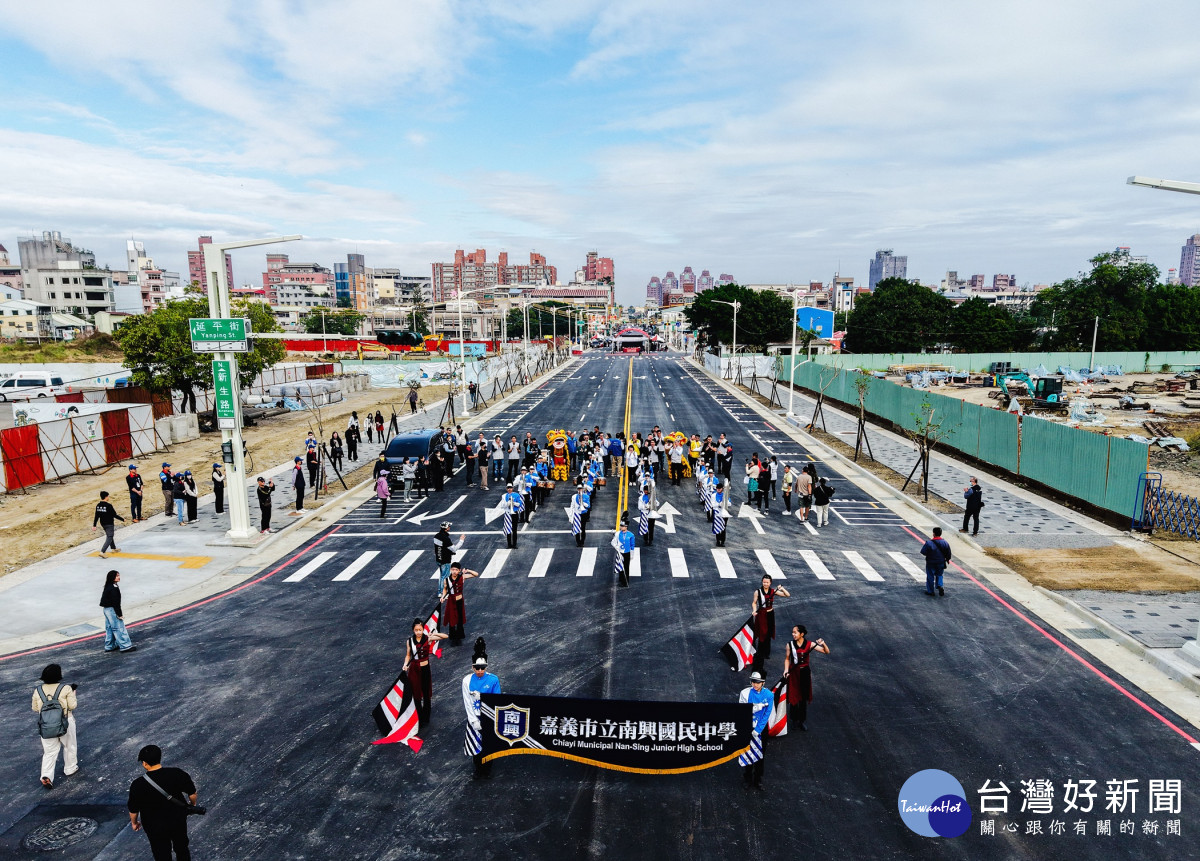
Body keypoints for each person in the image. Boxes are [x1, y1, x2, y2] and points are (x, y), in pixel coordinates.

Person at [127, 744, 197, 861]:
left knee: (161, 853)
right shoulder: (176, 773)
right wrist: (192, 804)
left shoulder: (138, 784)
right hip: (177, 820)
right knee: (182, 848)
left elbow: (133, 809)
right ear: (159, 758)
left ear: (144, 763)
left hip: (154, 826)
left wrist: (134, 823)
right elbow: (192, 792)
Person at [33, 663, 79, 788]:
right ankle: (70, 768)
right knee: (70, 746)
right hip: (65, 721)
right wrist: (73, 693)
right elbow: (72, 706)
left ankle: (46, 775)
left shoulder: (38, 690)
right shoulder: (65, 688)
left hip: (46, 725)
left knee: (49, 752)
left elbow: (35, 708)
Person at [462, 639, 501, 779]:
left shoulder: (493, 679)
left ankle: (488, 769)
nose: (479, 671)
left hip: (489, 716)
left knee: (488, 745)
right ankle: (478, 769)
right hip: (475, 718)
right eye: (476, 668)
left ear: (486, 666)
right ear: (472, 667)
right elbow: (467, 702)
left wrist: (482, 697)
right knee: (476, 745)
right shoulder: (466, 680)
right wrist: (473, 721)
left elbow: (498, 701)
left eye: (482, 668)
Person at [403, 617, 448, 728]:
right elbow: (408, 655)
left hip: (425, 669)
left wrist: (433, 636)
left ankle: (426, 716)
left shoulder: (427, 638)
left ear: (423, 629)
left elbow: (445, 636)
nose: (418, 632)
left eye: (420, 630)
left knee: (426, 693)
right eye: (416, 630)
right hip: (414, 669)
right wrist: (405, 664)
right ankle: (420, 716)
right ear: (413, 630)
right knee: (416, 694)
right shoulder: (409, 641)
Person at [783, 625, 829, 732]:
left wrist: (823, 644)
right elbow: (786, 659)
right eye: (792, 632)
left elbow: (826, 651)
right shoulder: (789, 645)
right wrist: (786, 670)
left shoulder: (810, 644)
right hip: (794, 673)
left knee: (803, 697)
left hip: (805, 673)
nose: (793, 634)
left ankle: (801, 721)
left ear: (802, 634)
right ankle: (794, 720)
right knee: (794, 696)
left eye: (795, 632)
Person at [738, 671, 771, 790]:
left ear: (763, 682)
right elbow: (741, 711)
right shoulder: (744, 693)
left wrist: (758, 730)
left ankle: (758, 779)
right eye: (753, 681)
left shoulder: (769, 695)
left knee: (760, 754)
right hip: (748, 727)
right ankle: (747, 777)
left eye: (757, 682)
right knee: (747, 752)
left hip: (761, 729)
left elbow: (767, 714)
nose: (755, 684)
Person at [751, 574, 791, 671]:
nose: (765, 584)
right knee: (761, 633)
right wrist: (754, 610)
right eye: (764, 582)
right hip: (762, 614)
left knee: (768, 633)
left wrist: (782, 588)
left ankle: (766, 653)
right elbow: (754, 602)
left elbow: (787, 595)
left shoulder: (773, 591)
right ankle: (759, 653)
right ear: (762, 582)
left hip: (770, 614)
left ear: (770, 583)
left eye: (767, 582)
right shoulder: (758, 591)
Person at [440, 561, 481, 641]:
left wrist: (468, 570)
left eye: (456, 570)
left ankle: (460, 634)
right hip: (451, 601)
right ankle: (452, 635)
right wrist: (443, 597)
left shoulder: (463, 577)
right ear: (450, 570)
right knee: (452, 617)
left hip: (459, 601)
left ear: (459, 570)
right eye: (453, 569)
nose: (454, 571)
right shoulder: (446, 580)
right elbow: (445, 589)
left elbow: (476, 574)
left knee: (460, 618)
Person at [100, 570, 136, 653]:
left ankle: (110, 646)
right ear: (112, 577)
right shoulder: (113, 588)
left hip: (106, 609)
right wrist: (119, 614)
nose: (119, 577)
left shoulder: (108, 586)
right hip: (112, 610)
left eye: (119, 575)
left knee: (109, 628)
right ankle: (125, 646)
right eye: (116, 576)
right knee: (119, 628)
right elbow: (116, 603)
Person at [920, 526, 953, 597]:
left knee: (930, 576)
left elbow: (923, 552)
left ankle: (930, 591)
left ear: (933, 534)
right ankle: (940, 585)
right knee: (939, 574)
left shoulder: (929, 543)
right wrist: (947, 559)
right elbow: (948, 553)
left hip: (930, 562)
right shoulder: (945, 543)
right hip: (941, 562)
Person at [93, 490, 124, 557]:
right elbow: (114, 515)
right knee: (110, 536)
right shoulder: (108, 505)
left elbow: (96, 516)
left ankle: (113, 548)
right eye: (108, 496)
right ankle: (102, 551)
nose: (108, 497)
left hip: (103, 523)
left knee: (110, 535)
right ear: (106, 497)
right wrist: (122, 519)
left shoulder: (98, 505)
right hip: (109, 523)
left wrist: (94, 525)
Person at [612, 522, 634, 587]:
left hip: (627, 553)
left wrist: (632, 554)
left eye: (622, 526)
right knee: (620, 566)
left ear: (626, 527)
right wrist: (616, 547)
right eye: (621, 526)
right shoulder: (617, 534)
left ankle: (626, 581)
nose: (621, 527)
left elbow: (632, 545)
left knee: (626, 567)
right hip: (620, 552)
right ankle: (621, 580)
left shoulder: (631, 535)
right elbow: (613, 542)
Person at [501, 484, 524, 548]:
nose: (509, 489)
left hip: (514, 513)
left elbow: (520, 504)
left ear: (512, 488)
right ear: (506, 489)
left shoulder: (516, 495)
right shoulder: (504, 496)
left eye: (510, 488)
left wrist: (513, 503)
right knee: (508, 529)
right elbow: (502, 506)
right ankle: (509, 544)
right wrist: (508, 503)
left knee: (514, 529)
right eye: (508, 488)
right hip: (508, 513)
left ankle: (514, 544)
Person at [713, 480, 728, 546]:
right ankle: (718, 540)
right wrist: (719, 504)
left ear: (722, 489)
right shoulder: (713, 495)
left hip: (724, 513)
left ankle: (723, 541)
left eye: (719, 489)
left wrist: (724, 502)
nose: (718, 490)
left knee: (723, 528)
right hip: (717, 513)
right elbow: (712, 504)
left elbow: (729, 503)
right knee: (717, 527)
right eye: (717, 488)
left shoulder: (725, 496)